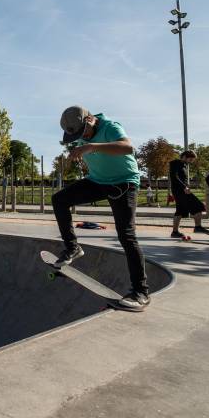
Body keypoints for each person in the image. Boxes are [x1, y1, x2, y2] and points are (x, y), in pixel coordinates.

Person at [52, 106, 150, 312]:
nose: (82, 139)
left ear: (89, 120)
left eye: (82, 134)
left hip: (124, 183)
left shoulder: (110, 126)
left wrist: (92, 147)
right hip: (97, 181)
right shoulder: (79, 134)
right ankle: (72, 248)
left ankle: (141, 292)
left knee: (126, 235)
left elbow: (127, 147)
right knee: (59, 200)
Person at [169, 150, 209, 238]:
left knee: (179, 211)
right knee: (199, 206)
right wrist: (184, 187)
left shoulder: (183, 165)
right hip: (180, 191)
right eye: (191, 159)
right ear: (184, 157)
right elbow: (175, 177)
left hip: (179, 190)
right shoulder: (176, 164)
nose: (191, 161)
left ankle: (175, 232)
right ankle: (198, 227)